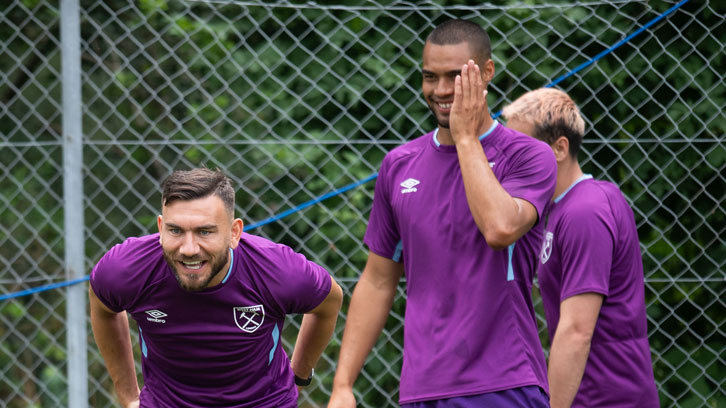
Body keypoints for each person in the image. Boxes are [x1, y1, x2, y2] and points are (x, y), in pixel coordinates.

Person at [328, 19, 557, 407]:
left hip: (504, 383)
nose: (440, 90)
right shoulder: (399, 165)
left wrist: (465, 137)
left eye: (455, 76)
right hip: (422, 389)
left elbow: (499, 228)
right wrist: (343, 385)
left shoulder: (528, 155)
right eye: (430, 77)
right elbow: (378, 280)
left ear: (487, 73)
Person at [89, 167, 343, 408]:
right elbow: (103, 308)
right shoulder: (126, 270)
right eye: (175, 230)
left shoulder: (279, 271)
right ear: (160, 227)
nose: (188, 248)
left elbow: (329, 302)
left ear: (234, 232)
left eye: (205, 232)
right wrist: (128, 397)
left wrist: (299, 374)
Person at [502, 88, 660, 407]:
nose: (509, 159)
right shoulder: (559, 208)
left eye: (520, 149)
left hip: (608, 399)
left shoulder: (584, 212)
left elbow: (576, 331)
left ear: (559, 148)